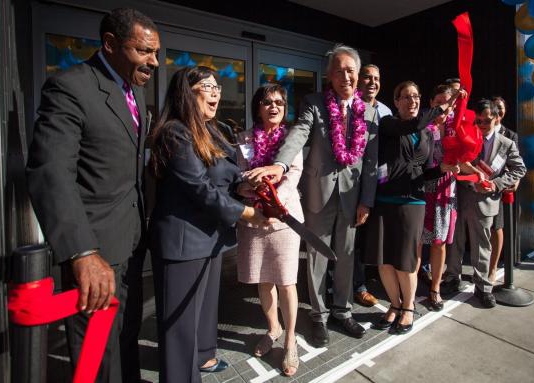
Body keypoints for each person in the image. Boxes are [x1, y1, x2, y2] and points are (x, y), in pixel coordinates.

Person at [26, 8, 159, 382]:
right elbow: (50, 172)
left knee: (126, 341)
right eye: (144, 51)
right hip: (95, 255)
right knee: (97, 360)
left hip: (131, 246)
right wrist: (81, 252)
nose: (153, 62)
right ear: (111, 44)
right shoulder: (71, 86)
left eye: (156, 52)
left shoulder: (133, 93)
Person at [245, 44, 378, 347]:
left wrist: (366, 199)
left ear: (357, 75)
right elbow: (299, 133)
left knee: (346, 255)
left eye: (351, 70)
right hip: (319, 192)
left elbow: (371, 160)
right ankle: (318, 316)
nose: (346, 76)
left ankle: (342, 311)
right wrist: (280, 164)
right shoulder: (314, 103)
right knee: (317, 254)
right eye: (339, 70)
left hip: (352, 195)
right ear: (329, 75)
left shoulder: (369, 111)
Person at [148, 66, 272, 382]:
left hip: (209, 237)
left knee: (203, 312)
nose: (216, 92)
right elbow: (199, 188)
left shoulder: (212, 130)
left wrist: (246, 187)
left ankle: (204, 357)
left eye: (218, 86)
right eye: (208, 86)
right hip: (183, 241)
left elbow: (225, 177)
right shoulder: (176, 132)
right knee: (180, 325)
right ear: (187, 92)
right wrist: (247, 214)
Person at [363, 81, 457, 333]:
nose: (412, 101)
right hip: (385, 200)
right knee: (384, 260)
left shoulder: (427, 134)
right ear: (396, 102)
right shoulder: (389, 124)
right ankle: (394, 304)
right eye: (406, 97)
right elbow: (411, 125)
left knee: (406, 260)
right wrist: (440, 109)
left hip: (413, 201)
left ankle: (408, 308)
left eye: (416, 96)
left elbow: (425, 173)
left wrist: (442, 169)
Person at [235, 84, 302, 376]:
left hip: (283, 219)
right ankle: (273, 328)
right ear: (257, 108)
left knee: (286, 281)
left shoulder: (291, 138)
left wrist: (274, 205)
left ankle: (290, 340)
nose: (274, 107)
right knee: (264, 280)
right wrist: (250, 189)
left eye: (279, 102)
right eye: (267, 102)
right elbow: (237, 178)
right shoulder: (243, 139)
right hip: (253, 220)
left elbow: (293, 175)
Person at [444, 99, 526, 308]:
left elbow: (519, 169)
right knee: (456, 240)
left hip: (486, 201)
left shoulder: (506, 143)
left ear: (497, 118)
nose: (481, 124)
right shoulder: (466, 135)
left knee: (482, 245)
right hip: (461, 196)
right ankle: (452, 277)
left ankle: (483, 287)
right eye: (478, 120)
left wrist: (496, 183)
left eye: (487, 121)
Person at [353, 64, 392, 307]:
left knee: (372, 235)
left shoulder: (386, 111)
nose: (372, 82)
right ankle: (357, 285)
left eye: (376, 78)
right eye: (367, 77)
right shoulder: (350, 108)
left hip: (381, 182)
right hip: (353, 184)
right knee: (354, 238)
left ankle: (369, 278)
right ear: (358, 80)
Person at [421, 84, 460, 311]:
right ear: (432, 105)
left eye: (449, 105)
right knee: (418, 243)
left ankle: (435, 288)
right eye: (439, 104)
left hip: (446, 194)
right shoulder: (424, 128)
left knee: (439, 243)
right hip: (423, 193)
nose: (445, 110)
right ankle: (412, 285)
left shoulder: (457, 130)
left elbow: (465, 161)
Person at [489, 96, 520, 283]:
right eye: (495, 108)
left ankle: (493, 268)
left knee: (496, 228)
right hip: (481, 188)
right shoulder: (480, 130)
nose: (498, 111)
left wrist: (513, 180)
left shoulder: (510, 136)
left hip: (500, 189)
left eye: (500, 108)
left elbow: (517, 165)